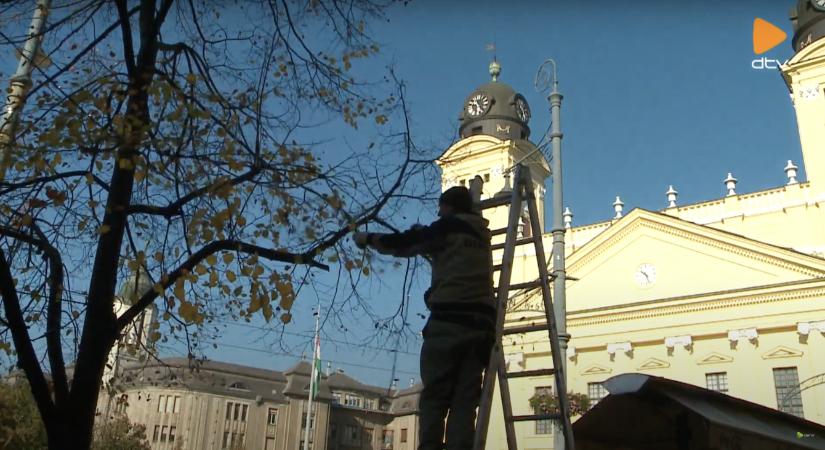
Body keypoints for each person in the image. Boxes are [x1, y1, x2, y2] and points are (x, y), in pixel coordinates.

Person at [353, 186, 495, 450]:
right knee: (464, 401)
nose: (438, 213)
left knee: (436, 397)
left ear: (449, 206)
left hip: (449, 325)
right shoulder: (481, 235)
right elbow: (452, 258)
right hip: (481, 330)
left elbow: (404, 245)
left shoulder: (447, 228)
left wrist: (369, 238)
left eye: (441, 207)